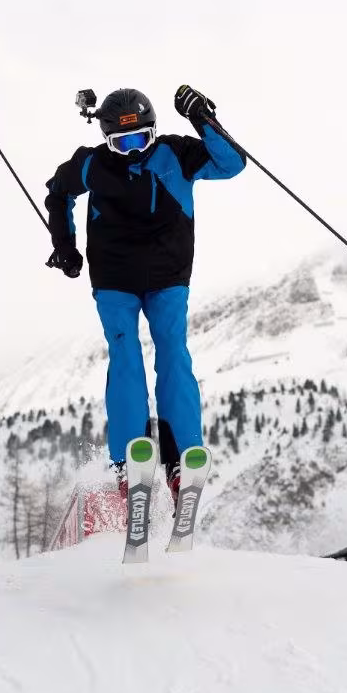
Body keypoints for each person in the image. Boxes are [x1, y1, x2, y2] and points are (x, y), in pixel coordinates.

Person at [45, 85, 246, 507]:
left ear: (154, 131)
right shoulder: (92, 163)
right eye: (123, 143)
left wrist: (202, 118)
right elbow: (57, 192)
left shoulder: (175, 153)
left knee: (173, 351)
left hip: (167, 274)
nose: (135, 150)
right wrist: (65, 246)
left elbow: (232, 163)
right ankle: (130, 464)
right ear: (107, 140)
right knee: (126, 356)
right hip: (115, 278)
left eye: (142, 138)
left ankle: (181, 461)